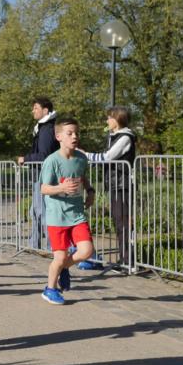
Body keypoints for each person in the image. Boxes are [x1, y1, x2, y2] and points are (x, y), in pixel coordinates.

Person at [39, 117, 95, 305]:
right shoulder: (52, 161)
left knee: (87, 251)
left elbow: (83, 177)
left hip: (77, 214)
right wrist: (62, 188)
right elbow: (43, 188)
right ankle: (50, 289)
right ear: (58, 137)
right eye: (69, 133)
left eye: (76, 133)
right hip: (57, 217)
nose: (74, 136)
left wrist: (90, 191)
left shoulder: (81, 158)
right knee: (60, 256)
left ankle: (64, 267)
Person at [18, 98, 70, 287]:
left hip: (44, 175)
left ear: (45, 110)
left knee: (43, 211)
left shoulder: (47, 129)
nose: (33, 111)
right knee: (36, 210)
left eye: (36, 108)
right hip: (41, 174)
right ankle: (36, 244)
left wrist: (25, 158)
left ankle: (50, 247)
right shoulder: (43, 127)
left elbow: (44, 154)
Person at [79, 106, 137, 267]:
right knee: (118, 222)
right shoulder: (115, 137)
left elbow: (108, 157)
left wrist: (85, 155)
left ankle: (128, 261)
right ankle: (124, 259)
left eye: (109, 118)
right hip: (115, 185)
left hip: (122, 185)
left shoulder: (125, 137)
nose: (107, 120)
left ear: (117, 119)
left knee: (123, 222)